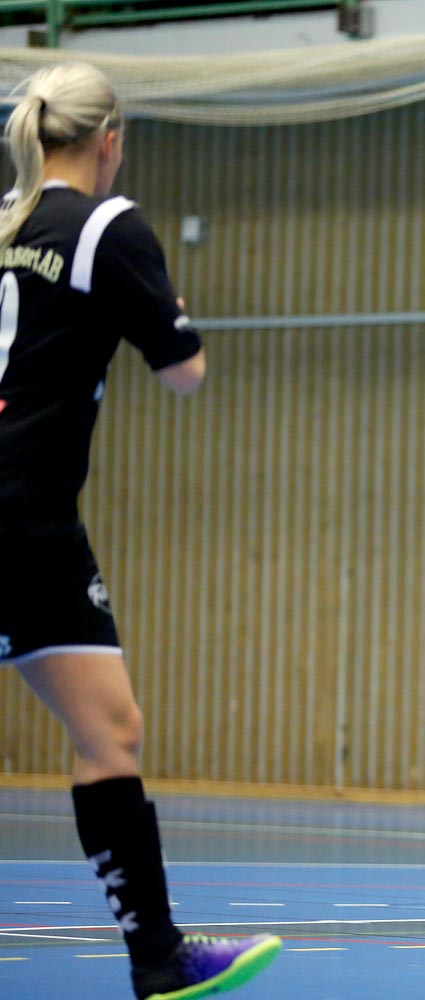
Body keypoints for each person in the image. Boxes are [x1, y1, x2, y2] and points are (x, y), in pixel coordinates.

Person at [0, 63, 281, 998]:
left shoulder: (4, 226)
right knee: (110, 733)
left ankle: (158, 958)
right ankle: (157, 956)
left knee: (111, 726)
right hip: (22, 520)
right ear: (109, 138)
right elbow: (184, 371)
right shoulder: (106, 228)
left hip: (35, 523)